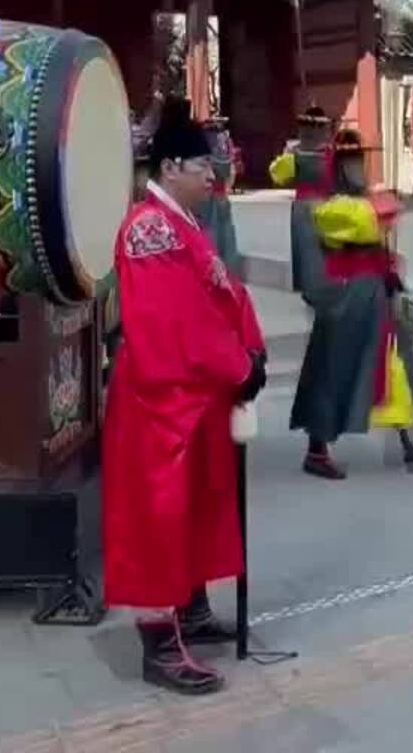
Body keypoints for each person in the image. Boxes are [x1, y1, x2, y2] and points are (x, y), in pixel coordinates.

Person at [103, 98, 267, 696]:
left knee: (193, 506)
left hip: (193, 396)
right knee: (159, 516)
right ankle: (158, 642)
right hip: (160, 399)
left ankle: (190, 611)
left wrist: (250, 351)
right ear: (170, 166)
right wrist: (236, 362)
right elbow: (176, 320)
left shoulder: (182, 224)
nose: (213, 175)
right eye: (203, 165)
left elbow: (225, 294)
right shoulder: (148, 228)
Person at [292, 129, 413, 479]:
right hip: (344, 298)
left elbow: (384, 216)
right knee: (334, 373)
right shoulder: (331, 207)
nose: (359, 168)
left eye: (359, 160)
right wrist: (380, 205)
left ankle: (408, 439)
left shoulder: (354, 202)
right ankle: (317, 450)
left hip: (373, 293)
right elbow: (372, 219)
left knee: (392, 366)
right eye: (352, 163)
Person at [269, 106, 333, 298]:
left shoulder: (294, 153)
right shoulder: (332, 152)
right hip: (327, 204)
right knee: (324, 251)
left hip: (302, 205)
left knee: (306, 251)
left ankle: (309, 290)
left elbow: (279, 176)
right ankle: (326, 290)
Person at [194, 116, 242, 274]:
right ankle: (231, 273)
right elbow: (231, 174)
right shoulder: (226, 144)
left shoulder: (204, 145)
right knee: (227, 235)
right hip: (222, 195)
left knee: (209, 233)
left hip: (206, 196)